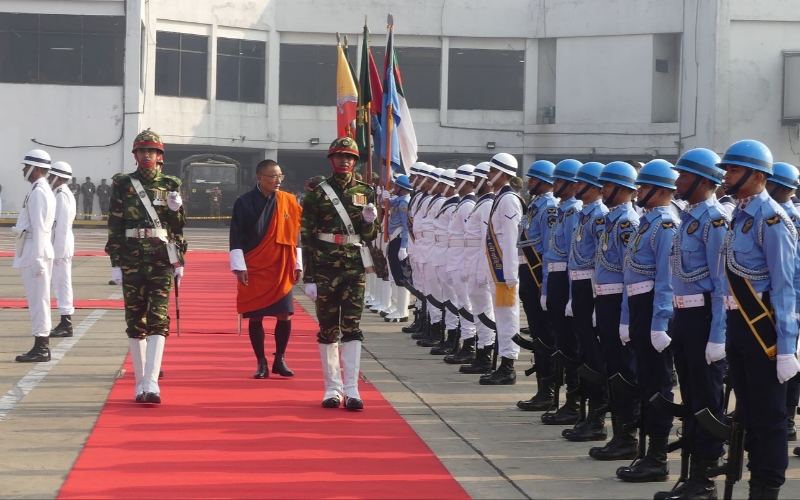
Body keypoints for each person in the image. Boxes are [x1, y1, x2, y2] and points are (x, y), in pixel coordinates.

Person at [719, 140, 799, 498]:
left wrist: (786, 346)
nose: (726, 175)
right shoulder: (740, 215)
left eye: (734, 169)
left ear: (757, 176)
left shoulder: (772, 219)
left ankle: (766, 488)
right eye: (727, 169)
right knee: (748, 412)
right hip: (738, 325)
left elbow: (785, 287)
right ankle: (755, 479)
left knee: (769, 416)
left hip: (762, 327)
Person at [651, 149, 729, 499]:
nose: (678, 181)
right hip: (684, 316)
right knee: (692, 396)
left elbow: (722, 283)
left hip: (704, 318)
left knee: (707, 398)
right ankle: (693, 475)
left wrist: (718, 335)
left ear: (703, 180)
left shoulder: (714, 220)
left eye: (684, 175)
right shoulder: (688, 218)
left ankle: (705, 478)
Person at [105, 130, 187, 404]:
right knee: (134, 320)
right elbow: (115, 225)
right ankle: (139, 383)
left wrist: (176, 210)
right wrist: (116, 263)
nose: (146, 154)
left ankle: (152, 383)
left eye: (151, 150)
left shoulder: (170, 184)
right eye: (142, 150)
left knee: (158, 319)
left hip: (161, 259)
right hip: (131, 259)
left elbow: (177, 227)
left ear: (159, 155)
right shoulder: (122, 184)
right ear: (135, 154)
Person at [301, 137, 378, 410]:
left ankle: (352, 389)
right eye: (339, 156)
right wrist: (309, 277)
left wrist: (369, 222)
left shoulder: (365, 191)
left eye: (349, 157)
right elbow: (307, 237)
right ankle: (332, 388)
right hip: (324, 267)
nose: (344, 161)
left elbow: (370, 235)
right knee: (328, 329)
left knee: (352, 328)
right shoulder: (317, 193)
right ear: (331, 159)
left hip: (354, 267)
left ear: (355, 161)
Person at [616, 159, 679, 483]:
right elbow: (631, 274)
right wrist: (627, 316)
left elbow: (667, 279)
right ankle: (646, 452)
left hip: (653, 307)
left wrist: (660, 322)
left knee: (658, 384)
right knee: (645, 380)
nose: (638, 190)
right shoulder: (647, 223)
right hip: (640, 307)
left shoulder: (666, 225)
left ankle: (657, 456)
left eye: (643, 186)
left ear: (660, 190)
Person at [229, 160, 302, 379]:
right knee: (256, 316)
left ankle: (280, 358)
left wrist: (298, 263)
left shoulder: (288, 200)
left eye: (280, 176)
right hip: (254, 265)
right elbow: (235, 235)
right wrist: (239, 266)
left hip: (281, 264)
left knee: (284, 314)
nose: (278, 180)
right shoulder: (244, 202)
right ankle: (261, 362)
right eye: (273, 176)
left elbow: (296, 234)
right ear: (260, 178)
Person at [588, 161, 640, 461]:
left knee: (623, 370)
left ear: (622, 188)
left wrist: (625, 316)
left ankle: (627, 436)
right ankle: (619, 432)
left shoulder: (627, 223)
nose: (603, 190)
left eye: (607, 185)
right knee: (612, 368)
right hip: (606, 300)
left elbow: (628, 273)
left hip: (619, 300)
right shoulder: (612, 220)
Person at [563, 161, 609, 442]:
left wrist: (594, 298)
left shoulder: (600, 216)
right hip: (580, 287)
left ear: (594, 186)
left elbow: (601, 260)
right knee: (582, 353)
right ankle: (584, 412)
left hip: (592, 289)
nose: (576, 186)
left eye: (580, 183)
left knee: (594, 356)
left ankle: (597, 418)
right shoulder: (584, 214)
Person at [540, 159, 583, 425]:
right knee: (562, 343)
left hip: (567, 280)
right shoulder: (562, 211)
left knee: (570, 344)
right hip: (555, 278)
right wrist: (547, 287)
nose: (554, 184)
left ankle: (574, 402)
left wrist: (570, 296)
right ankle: (566, 399)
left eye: (558, 180)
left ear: (571, 184)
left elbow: (573, 257)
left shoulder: (575, 211)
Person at [514, 160, 558, 409]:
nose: (529, 182)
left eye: (532, 178)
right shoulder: (535, 206)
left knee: (544, 334)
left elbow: (549, 250)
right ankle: (542, 387)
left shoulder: (549, 208)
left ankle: (547, 390)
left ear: (544, 181)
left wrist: (544, 285)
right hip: (528, 274)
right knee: (538, 333)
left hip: (538, 275)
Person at [480, 153, 525, 386]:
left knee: (508, 319)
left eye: (492, 170)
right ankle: (502, 363)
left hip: (505, 272)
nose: (488, 174)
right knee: (501, 318)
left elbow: (510, 238)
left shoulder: (508, 200)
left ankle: (508, 366)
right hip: (497, 269)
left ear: (503, 173)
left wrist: (509, 274)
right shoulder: (500, 198)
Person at [13, 149, 56, 362]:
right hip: (33, 248)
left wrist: (37, 259)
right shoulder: (38, 189)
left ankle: (41, 347)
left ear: (36, 168)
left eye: (26, 166)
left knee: (39, 301)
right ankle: (40, 345)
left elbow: (39, 227)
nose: (23, 169)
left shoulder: (39, 192)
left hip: (35, 250)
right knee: (38, 300)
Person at [48, 161, 77, 338]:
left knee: (62, 284)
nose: (49, 179)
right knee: (59, 284)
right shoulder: (60, 193)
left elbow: (62, 225)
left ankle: (66, 323)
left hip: (61, 245)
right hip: (60, 244)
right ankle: (64, 321)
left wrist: (57, 251)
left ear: (58, 178)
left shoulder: (61, 195)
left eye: (51, 176)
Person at [384, 174, 413, 323]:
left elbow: (406, 227)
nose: (394, 188)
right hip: (394, 239)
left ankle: (402, 311)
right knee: (395, 274)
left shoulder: (404, 203)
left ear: (403, 188)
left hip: (399, 239)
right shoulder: (399, 200)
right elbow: (386, 204)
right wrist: (383, 196)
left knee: (401, 276)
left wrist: (403, 247)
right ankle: (397, 307)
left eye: (396, 186)